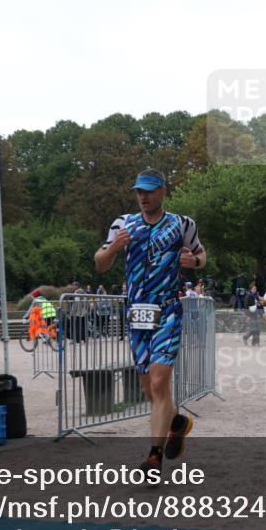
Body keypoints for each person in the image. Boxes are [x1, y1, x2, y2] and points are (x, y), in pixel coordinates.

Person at [94, 167, 206, 475]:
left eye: (149, 191)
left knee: (159, 382)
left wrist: (193, 261)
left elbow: (201, 255)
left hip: (168, 310)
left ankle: (154, 458)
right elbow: (100, 263)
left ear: (162, 192)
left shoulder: (182, 224)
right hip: (137, 314)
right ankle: (178, 423)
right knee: (151, 392)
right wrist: (115, 247)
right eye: (139, 192)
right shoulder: (123, 224)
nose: (143, 196)